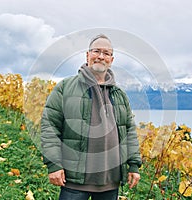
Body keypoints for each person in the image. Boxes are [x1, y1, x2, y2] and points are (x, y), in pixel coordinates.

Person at [41, 34, 142, 200]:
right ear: (87, 55)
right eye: (96, 51)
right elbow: (49, 127)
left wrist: (134, 165)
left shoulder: (119, 95)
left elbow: (129, 132)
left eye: (106, 53)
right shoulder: (65, 87)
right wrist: (54, 164)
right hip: (75, 181)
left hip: (110, 181)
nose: (101, 56)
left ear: (111, 59)